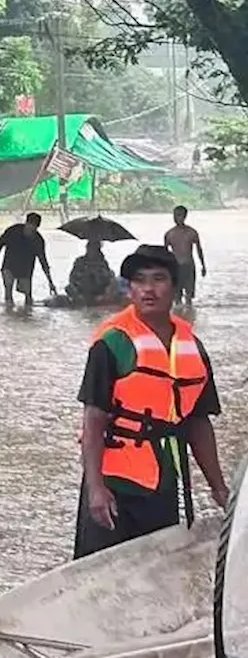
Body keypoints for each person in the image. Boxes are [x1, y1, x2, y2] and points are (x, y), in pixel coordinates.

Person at [74, 245, 228, 559]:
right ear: (129, 289)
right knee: (101, 574)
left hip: (164, 482)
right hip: (115, 483)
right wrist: (96, 489)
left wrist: (219, 488)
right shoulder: (111, 343)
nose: (148, 288)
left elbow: (198, 423)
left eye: (159, 279)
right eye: (139, 280)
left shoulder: (192, 347)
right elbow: (93, 420)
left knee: (156, 570)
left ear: (175, 286)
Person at [0, 213, 55, 310]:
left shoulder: (38, 240)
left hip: (25, 270)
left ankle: (28, 313)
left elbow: (43, 261)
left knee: (28, 296)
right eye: (30, 226)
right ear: (26, 223)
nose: (31, 230)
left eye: (34, 228)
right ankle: (8, 312)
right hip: (9, 265)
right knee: (8, 288)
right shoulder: (13, 231)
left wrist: (50, 282)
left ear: (37, 227)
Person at [164, 206, 206, 306]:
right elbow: (165, 254)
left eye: (179, 215)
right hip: (175, 267)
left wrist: (203, 265)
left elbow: (199, 250)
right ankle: (179, 317)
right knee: (176, 296)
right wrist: (165, 270)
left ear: (184, 216)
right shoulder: (169, 234)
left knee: (189, 295)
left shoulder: (192, 233)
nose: (176, 218)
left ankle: (189, 316)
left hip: (188, 266)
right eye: (175, 216)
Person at [64, 239, 118, 307]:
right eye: (88, 247)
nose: (89, 250)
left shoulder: (102, 263)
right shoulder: (79, 261)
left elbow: (108, 279)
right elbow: (72, 278)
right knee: (68, 288)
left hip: (97, 291)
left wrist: (97, 275)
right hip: (81, 290)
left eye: (92, 248)